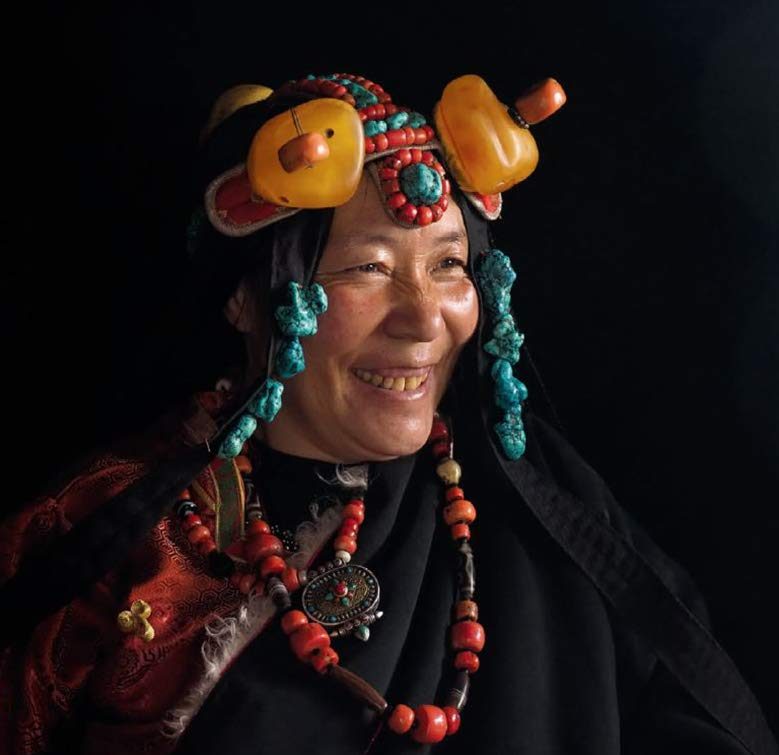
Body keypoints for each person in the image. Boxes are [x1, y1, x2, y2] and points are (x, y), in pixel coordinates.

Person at [0, 72, 775, 755]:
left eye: (448, 264)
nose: (423, 319)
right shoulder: (110, 534)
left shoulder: (547, 513)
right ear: (245, 300)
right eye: (368, 268)